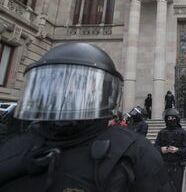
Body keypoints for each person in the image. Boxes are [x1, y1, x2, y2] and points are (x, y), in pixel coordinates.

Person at [0, 43, 175, 191]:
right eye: (58, 83)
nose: (67, 92)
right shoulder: (12, 147)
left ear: (104, 92)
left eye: (80, 84)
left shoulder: (135, 152)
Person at [154, 108, 186, 192]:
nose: (171, 120)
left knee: (176, 188)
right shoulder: (162, 132)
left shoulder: (183, 133)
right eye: (169, 118)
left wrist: (177, 150)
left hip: (177, 166)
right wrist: (161, 149)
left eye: (173, 118)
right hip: (164, 165)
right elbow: (154, 148)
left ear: (177, 119)